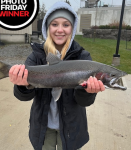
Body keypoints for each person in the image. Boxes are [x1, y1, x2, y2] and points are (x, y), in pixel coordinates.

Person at [9, 1, 105, 150]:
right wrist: (22, 86)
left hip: (71, 128)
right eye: (54, 24)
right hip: (42, 127)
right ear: (47, 27)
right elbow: (23, 96)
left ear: (72, 28)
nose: (60, 30)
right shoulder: (36, 56)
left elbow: (84, 102)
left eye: (66, 24)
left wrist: (87, 92)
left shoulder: (83, 57)